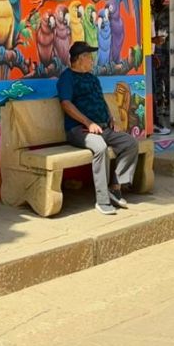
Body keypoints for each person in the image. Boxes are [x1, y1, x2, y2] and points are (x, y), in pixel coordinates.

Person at [55, 41, 140, 215]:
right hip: (79, 130)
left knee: (130, 143)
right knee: (100, 147)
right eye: (90, 57)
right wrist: (88, 123)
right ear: (80, 58)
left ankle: (115, 187)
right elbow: (66, 104)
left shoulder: (93, 78)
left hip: (103, 128)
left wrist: (111, 118)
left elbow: (100, 101)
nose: (92, 60)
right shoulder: (67, 78)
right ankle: (102, 200)